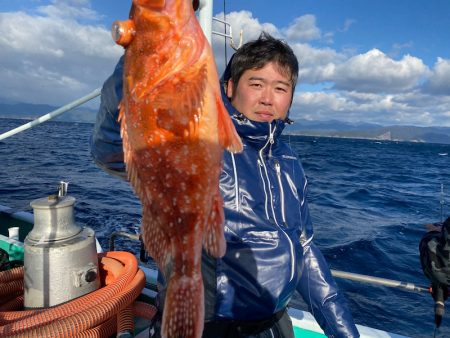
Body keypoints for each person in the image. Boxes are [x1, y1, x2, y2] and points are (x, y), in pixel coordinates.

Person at [90, 31, 359, 337]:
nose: (268, 98)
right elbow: (111, 148)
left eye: (281, 88)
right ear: (230, 87)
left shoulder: (289, 161)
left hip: (274, 325)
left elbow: (305, 247)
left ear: (291, 97)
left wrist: (344, 331)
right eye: (256, 84)